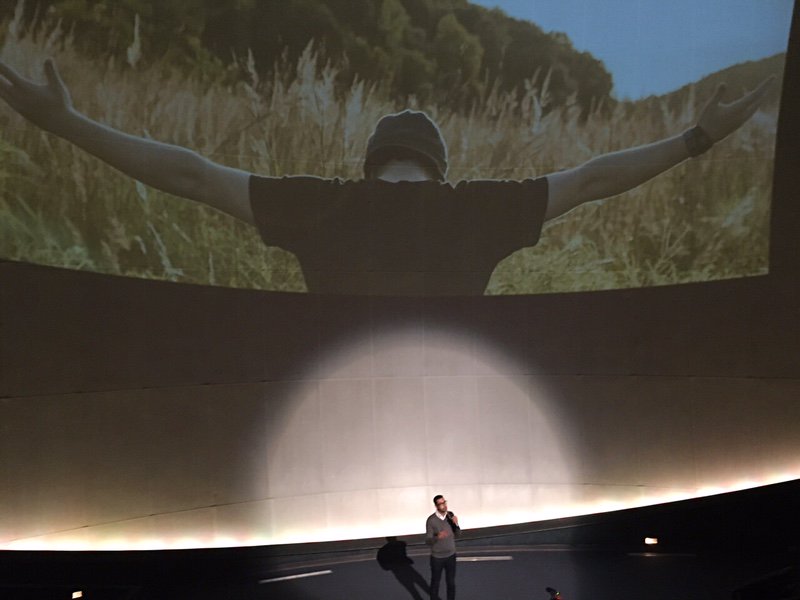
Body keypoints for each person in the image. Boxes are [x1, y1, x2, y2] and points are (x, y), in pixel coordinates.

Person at [0, 58, 774, 295]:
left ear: (371, 161)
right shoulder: (481, 210)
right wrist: (699, 136)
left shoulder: (317, 206)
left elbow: (192, 175)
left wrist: (65, 123)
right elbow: (594, 178)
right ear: (440, 166)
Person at [425, 494, 460, 600]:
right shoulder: (431, 520)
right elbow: (428, 541)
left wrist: (456, 524)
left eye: (444, 502)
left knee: (451, 583)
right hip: (437, 558)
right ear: (436, 506)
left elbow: (458, 534)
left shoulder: (450, 515)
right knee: (435, 583)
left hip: (451, 555)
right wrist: (437, 537)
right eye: (441, 503)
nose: (444, 505)